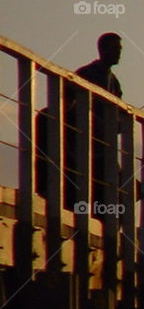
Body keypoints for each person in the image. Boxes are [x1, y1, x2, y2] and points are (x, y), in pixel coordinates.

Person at [36, 32, 123, 208]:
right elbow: (68, 104)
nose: (118, 53)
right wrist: (94, 123)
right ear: (102, 50)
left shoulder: (114, 82)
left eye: (119, 49)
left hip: (102, 144)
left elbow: (118, 115)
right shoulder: (85, 74)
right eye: (114, 48)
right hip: (81, 141)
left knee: (119, 181)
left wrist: (115, 126)